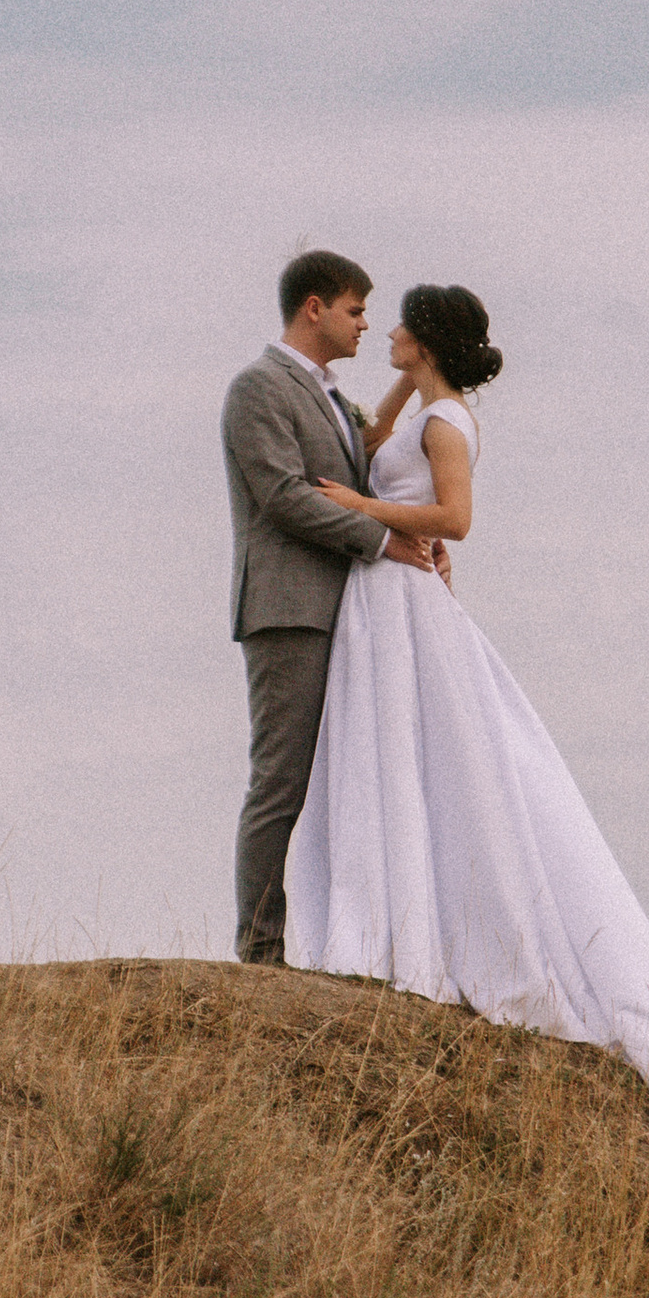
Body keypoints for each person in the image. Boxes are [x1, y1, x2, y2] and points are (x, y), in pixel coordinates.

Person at [287, 281, 649, 1111]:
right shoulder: (425, 412)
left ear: (424, 337)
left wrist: (361, 506)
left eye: (401, 327)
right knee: (390, 752)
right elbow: (380, 437)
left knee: (435, 759)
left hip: (408, 598)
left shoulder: (449, 422)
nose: (384, 332)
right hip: (385, 597)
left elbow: (454, 519)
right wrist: (411, 376)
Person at [221, 250, 442, 967]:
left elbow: (370, 467)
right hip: (288, 611)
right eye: (354, 310)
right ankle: (259, 952)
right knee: (280, 783)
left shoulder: (335, 399)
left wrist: (412, 532)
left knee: (344, 784)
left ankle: (339, 944)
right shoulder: (258, 388)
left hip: (345, 613)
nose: (365, 325)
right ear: (313, 308)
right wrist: (384, 539)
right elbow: (283, 497)